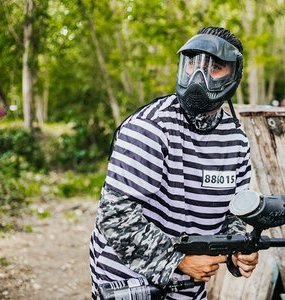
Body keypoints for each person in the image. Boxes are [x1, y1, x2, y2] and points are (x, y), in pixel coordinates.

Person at [89, 26, 258, 300]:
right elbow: (115, 216)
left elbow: (231, 214)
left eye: (215, 67)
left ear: (234, 76)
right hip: (127, 281)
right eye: (193, 63)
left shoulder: (236, 140)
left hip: (189, 287)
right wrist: (177, 260)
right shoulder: (149, 127)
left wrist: (237, 250)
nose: (198, 76)